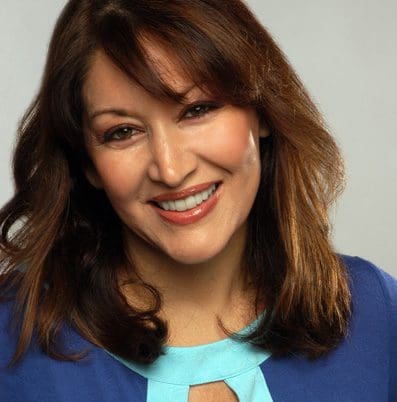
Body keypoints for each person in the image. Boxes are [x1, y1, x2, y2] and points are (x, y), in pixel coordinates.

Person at [0, 1, 396, 401]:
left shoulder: (376, 315)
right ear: (87, 163)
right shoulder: (11, 336)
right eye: (122, 132)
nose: (170, 170)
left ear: (262, 113)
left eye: (197, 110)